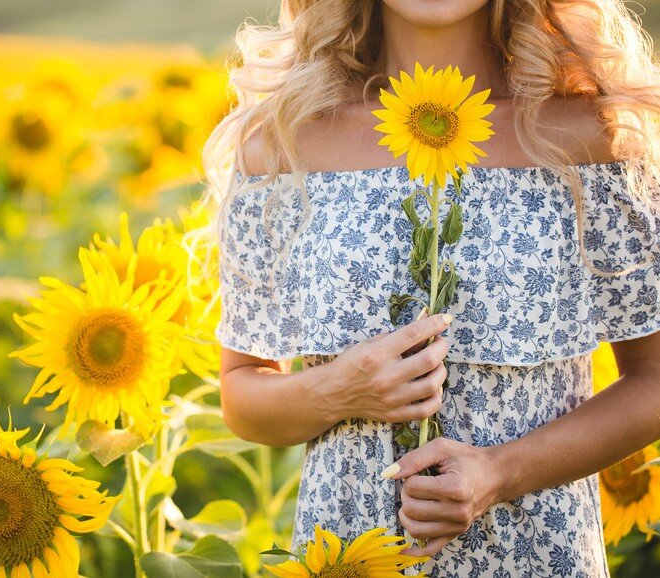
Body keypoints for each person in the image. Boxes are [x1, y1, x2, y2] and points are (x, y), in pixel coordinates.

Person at [200, 0, 660, 576]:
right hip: (347, 554)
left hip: (537, 556)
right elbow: (242, 396)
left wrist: (502, 471)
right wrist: (338, 390)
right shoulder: (283, 144)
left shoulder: (589, 140)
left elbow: (654, 380)